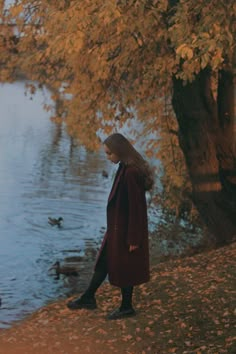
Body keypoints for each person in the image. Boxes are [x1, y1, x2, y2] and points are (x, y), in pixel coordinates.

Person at [67, 133, 154, 320]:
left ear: (119, 151)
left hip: (125, 230)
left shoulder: (131, 173)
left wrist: (133, 238)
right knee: (104, 261)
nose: (108, 157)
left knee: (126, 267)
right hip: (116, 227)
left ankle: (126, 307)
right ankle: (89, 297)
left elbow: (136, 208)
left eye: (109, 153)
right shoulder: (124, 167)